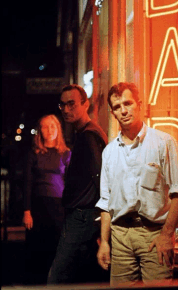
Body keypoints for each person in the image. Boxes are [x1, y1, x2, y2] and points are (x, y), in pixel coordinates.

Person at [96, 82, 178, 286]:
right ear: (113, 113)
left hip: (154, 233)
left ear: (139, 104)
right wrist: (104, 242)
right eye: (117, 107)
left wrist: (166, 235)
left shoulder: (163, 142)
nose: (124, 110)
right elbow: (105, 202)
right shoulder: (110, 152)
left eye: (128, 103)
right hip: (120, 235)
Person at [47, 84, 108, 284]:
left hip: (83, 216)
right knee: (83, 276)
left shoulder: (89, 135)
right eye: (62, 105)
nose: (66, 110)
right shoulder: (84, 134)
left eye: (71, 104)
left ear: (85, 104)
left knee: (57, 278)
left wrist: (102, 220)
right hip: (84, 215)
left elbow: (101, 179)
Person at [23, 114, 71, 284]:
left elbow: (70, 184)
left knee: (56, 250)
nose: (49, 130)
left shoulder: (66, 153)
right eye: (45, 127)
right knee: (38, 250)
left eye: (53, 126)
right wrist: (27, 211)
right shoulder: (34, 153)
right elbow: (27, 183)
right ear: (40, 131)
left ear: (58, 129)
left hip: (58, 208)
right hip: (38, 207)